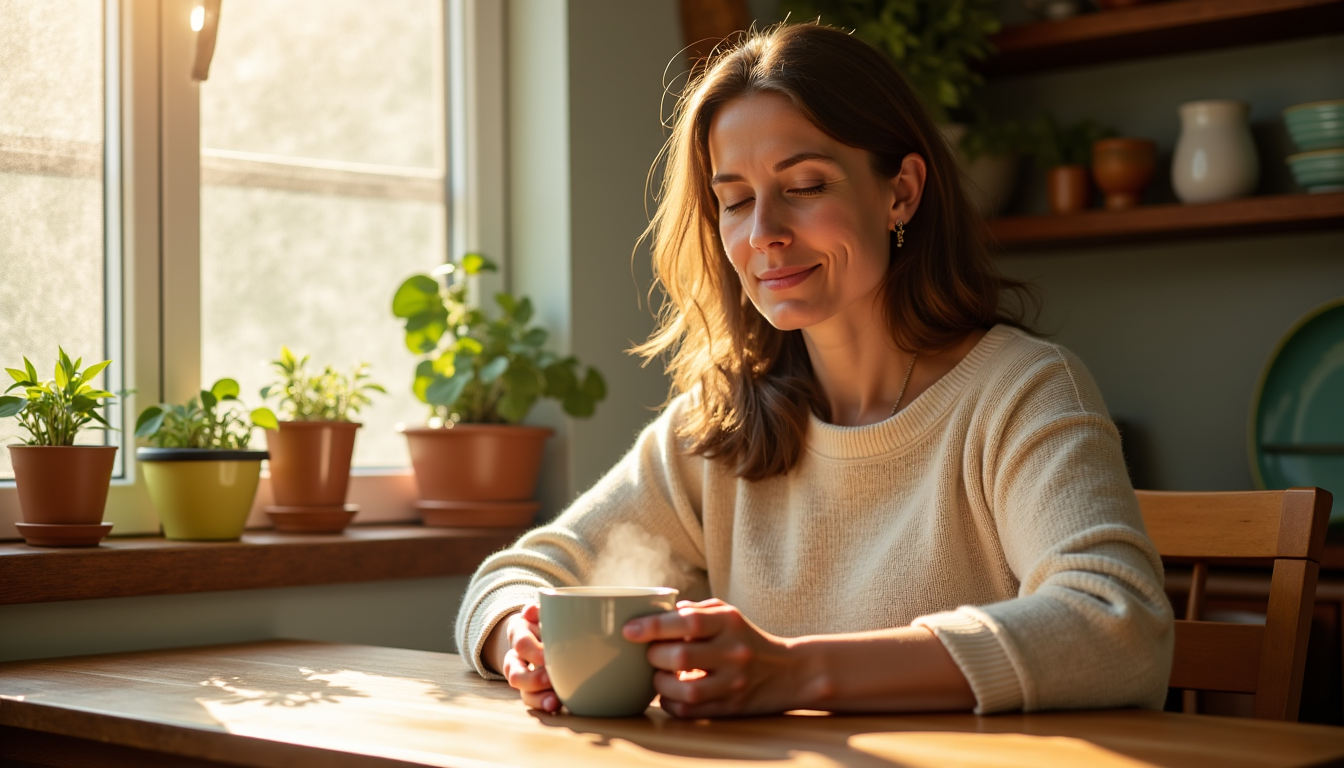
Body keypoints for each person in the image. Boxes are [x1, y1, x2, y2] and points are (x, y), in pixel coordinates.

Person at [455, 22, 1173, 718]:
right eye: (734, 200)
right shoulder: (722, 422)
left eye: (803, 186)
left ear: (901, 193)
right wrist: (519, 638)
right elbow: (510, 579)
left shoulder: (1021, 392)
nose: (763, 232)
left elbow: (1118, 624)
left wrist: (795, 671)